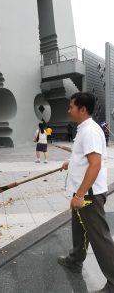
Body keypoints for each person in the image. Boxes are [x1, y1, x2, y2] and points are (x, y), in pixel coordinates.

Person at [58, 92, 114, 293]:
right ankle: (75, 259)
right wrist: (71, 163)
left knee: (99, 237)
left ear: (82, 109)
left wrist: (80, 195)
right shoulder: (84, 129)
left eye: (71, 106)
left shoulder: (90, 130)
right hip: (82, 191)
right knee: (78, 227)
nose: (68, 110)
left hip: (88, 195)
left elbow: (95, 165)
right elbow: (85, 158)